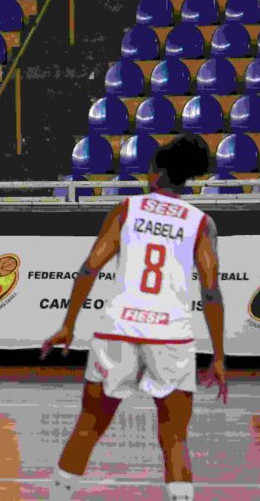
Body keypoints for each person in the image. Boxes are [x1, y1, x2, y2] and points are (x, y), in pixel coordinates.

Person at [41, 134, 229, 501]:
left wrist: (68, 324)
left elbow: (89, 268)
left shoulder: (128, 209)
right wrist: (219, 355)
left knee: (88, 428)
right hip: (171, 337)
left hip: (118, 331)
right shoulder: (201, 223)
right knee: (175, 440)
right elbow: (210, 292)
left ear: (156, 174)